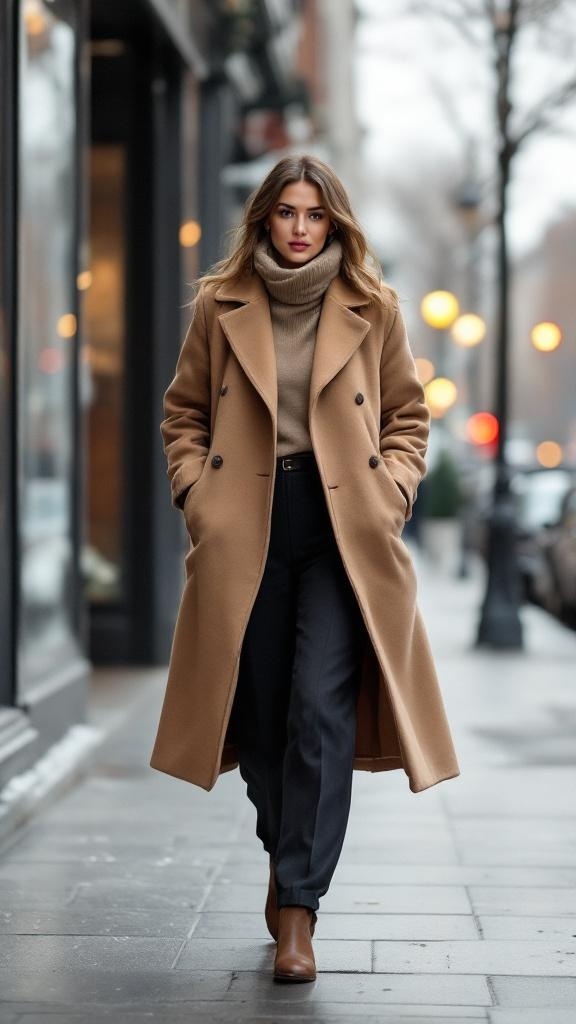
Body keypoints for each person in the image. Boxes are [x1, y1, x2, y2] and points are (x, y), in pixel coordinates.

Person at [149, 154, 460, 983]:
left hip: (341, 531)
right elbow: (183, 412)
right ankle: (286, 853)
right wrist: (198, 496)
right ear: (264, 217)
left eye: (314, 214)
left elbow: (407, 416)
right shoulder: (221, 303)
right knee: (258, 716)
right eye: (286, 212)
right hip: (245, 523)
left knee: (318, 710)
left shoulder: (372, 307)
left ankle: (298, 910)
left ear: (335, 223)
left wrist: (391, 491)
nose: (299, 228)